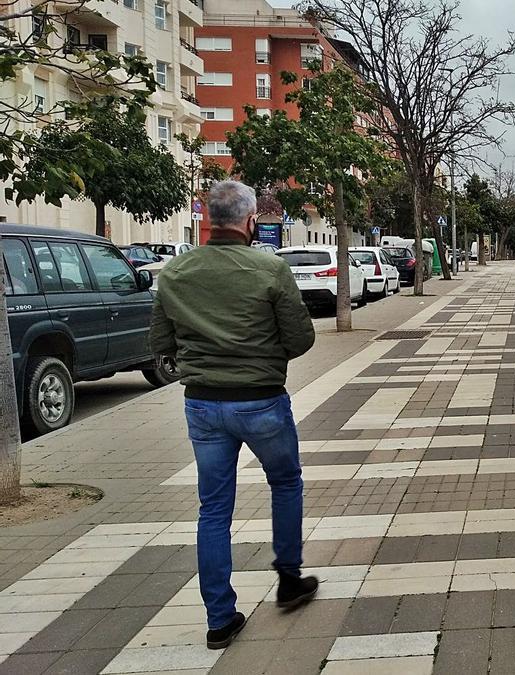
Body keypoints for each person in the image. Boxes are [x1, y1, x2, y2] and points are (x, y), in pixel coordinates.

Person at [150, 180, 319, 650]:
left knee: (214, 509)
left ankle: (220, 619)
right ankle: (288, 579)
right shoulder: (270, 268)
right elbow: (302, 339)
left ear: (207, 219)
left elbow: (160, 344)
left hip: (202, 405)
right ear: (249, 221)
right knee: (285, 483)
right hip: (262, 399)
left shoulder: (174, 272)